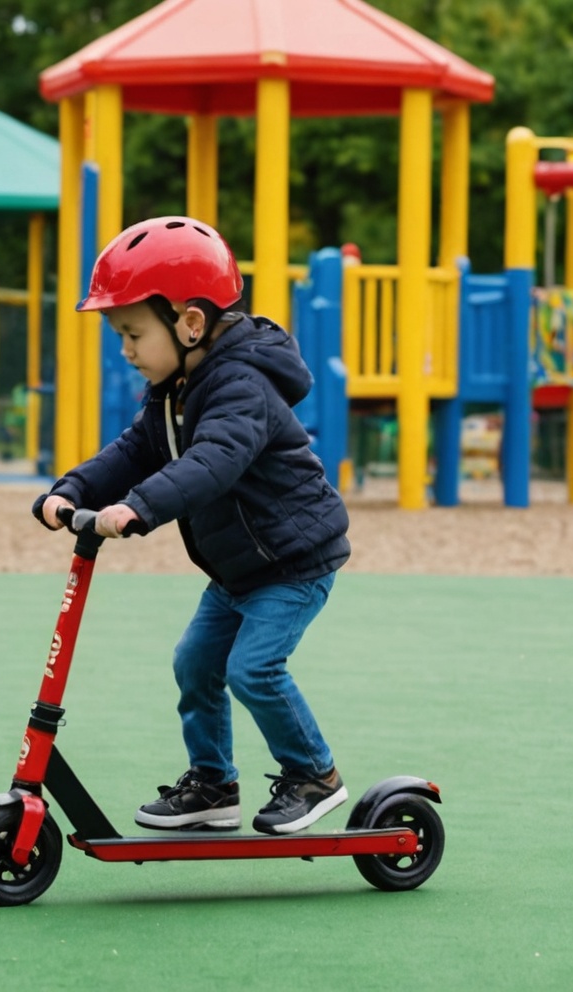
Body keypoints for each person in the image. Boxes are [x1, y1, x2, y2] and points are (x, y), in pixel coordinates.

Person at [33, 216, 352, 835]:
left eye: (133, 333)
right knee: (194, 665)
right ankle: (213, 785)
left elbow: (214, 461)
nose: (124, 349)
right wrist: (70, 489)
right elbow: (132, 451)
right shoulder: (174, 390)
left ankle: (315, 775)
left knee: (252, 669)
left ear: (191, 323)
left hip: (292, 563)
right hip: (237, 569)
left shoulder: (242, 387)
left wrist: (140, 508)